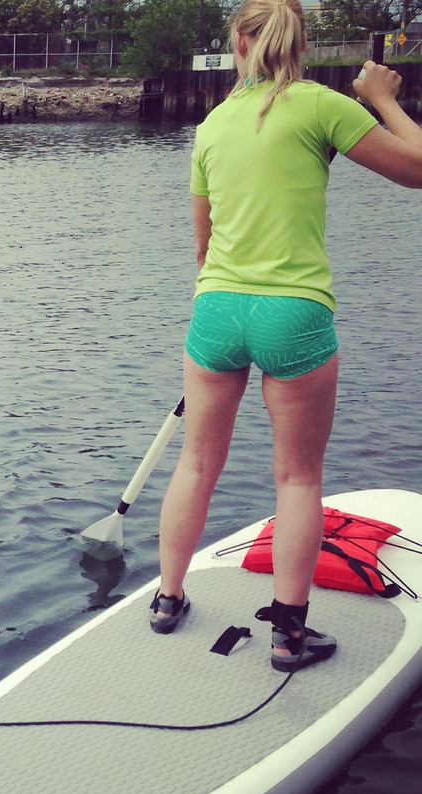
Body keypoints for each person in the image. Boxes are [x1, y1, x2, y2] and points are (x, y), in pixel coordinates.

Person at [149, 0, 422, 672]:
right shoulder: (320, 106)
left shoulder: (211, 125)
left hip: (216, 311)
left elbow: (203, 246)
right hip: (292, 313)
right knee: (297, 480)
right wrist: (383, 99)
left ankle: (167, 599)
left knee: (195, 465)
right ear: (298, 45)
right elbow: (417, 168)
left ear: (239, 44)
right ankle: (288, 638)